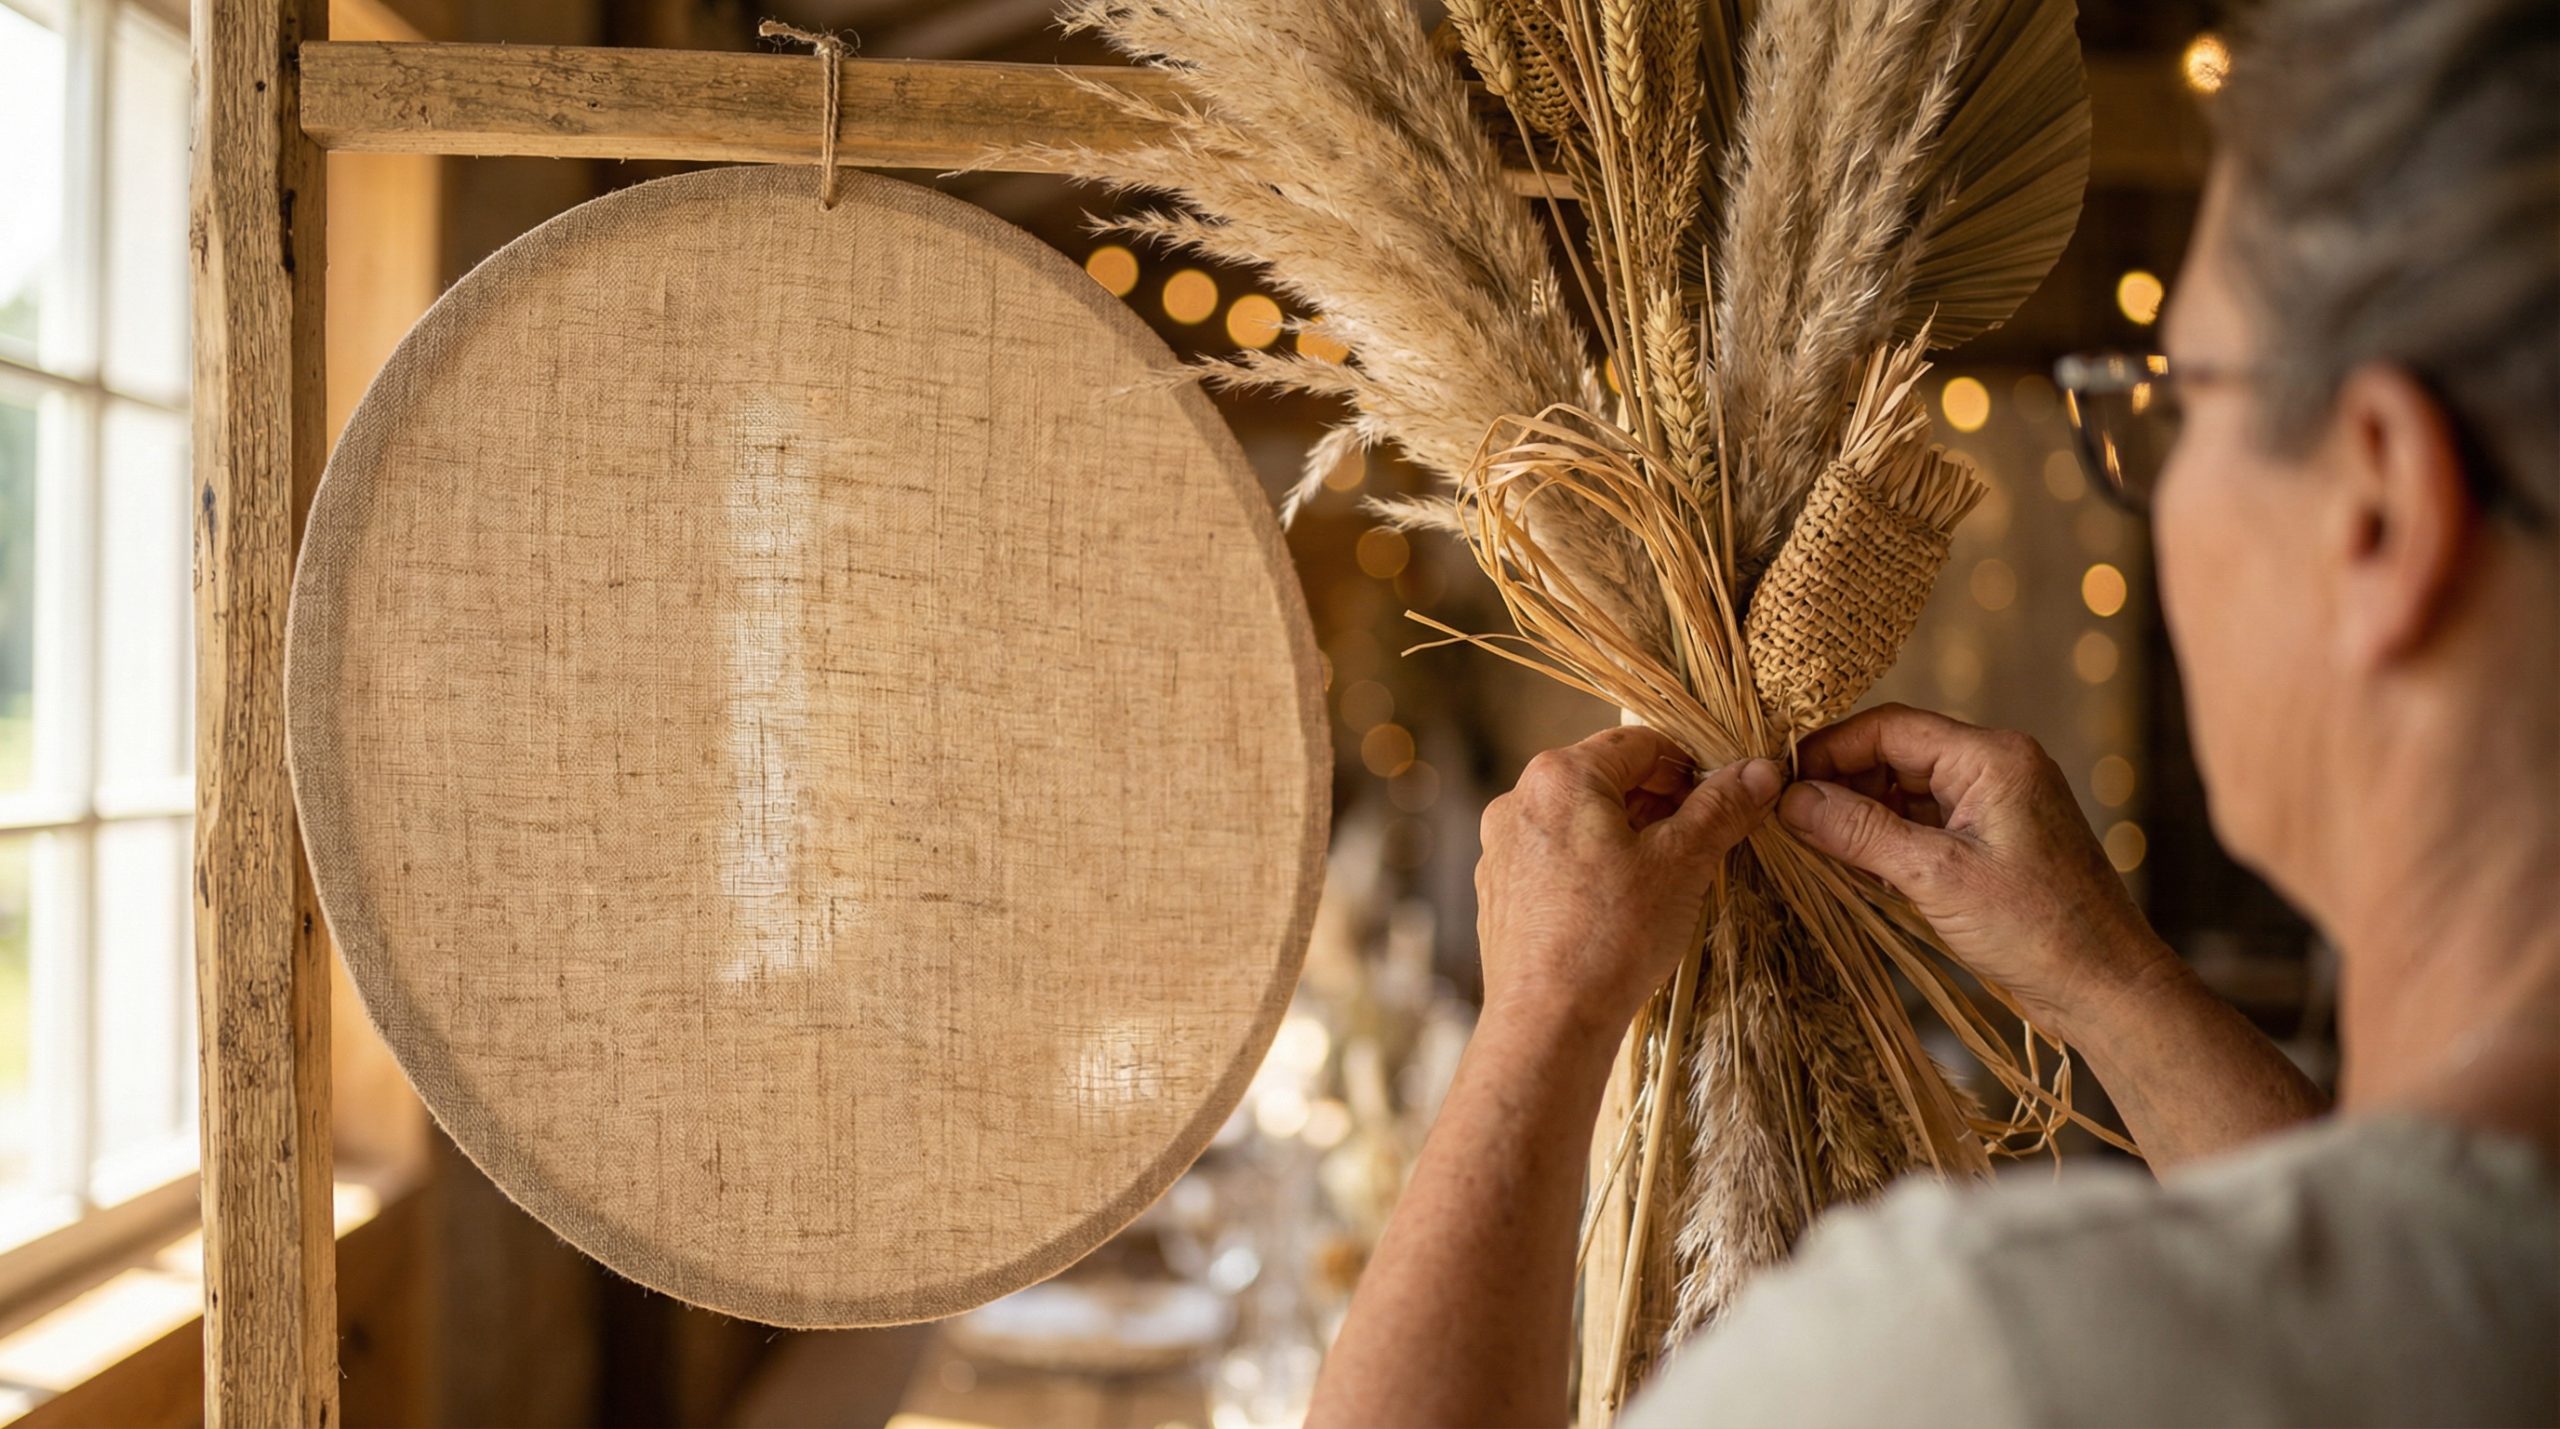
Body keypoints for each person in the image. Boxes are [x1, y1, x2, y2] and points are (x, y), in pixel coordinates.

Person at [1306, 0, 2558, 1423]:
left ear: (2381, 505)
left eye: (2175, 406)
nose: (2153, 481)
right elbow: (2367, 1287)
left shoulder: (1981, 1353)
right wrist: (2109, 978)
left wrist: (1536, 1015)